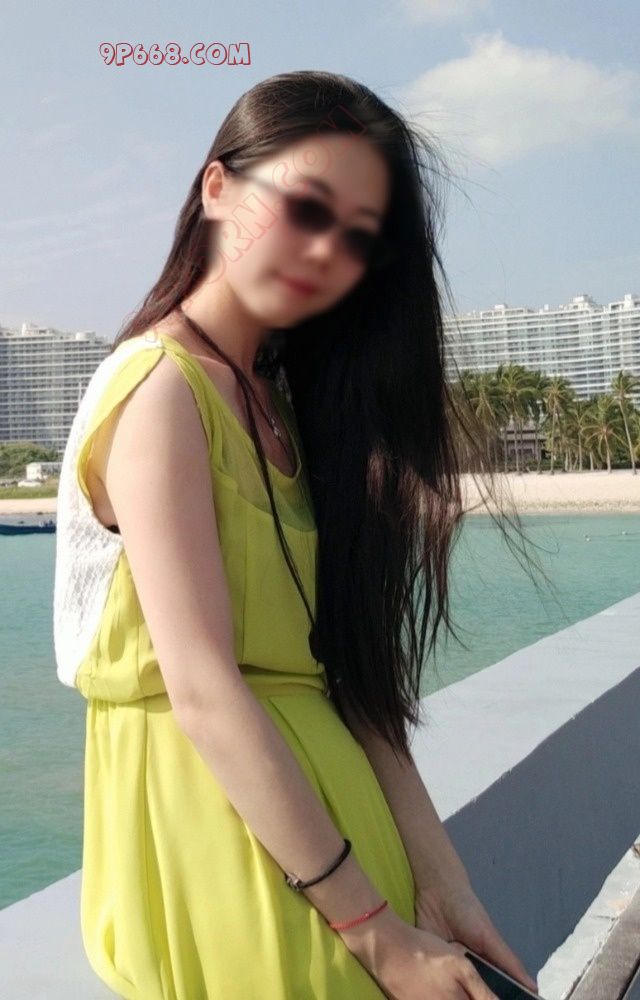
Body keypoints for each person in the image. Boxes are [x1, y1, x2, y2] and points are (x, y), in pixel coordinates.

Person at [53, 69, 543, 999]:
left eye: (356, 237)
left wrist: (443, 881)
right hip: (237, 858)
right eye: (305, 207)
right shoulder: (160, 390)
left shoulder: (289, 403)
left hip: (347, 865)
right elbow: (203, 690)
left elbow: (355, 683)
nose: (324, 252)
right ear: (216, 187)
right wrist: (374, 932)